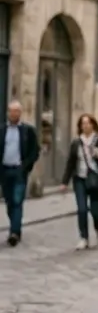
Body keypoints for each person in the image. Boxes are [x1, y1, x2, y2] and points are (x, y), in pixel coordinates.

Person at [60, 113, 98, 250]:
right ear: (80, 126)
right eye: (83, 123)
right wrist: (64, 182)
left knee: (95, 210)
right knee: (82, 209)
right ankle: (83, 237)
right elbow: (70, 162)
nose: (85, 125)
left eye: (88, 123)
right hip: (80, 179)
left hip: (95, 179)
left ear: (93, 125)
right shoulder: (76, 142)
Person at [2, 101, 41, 247]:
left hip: (19, 171)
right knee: (9, 202)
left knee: (17, 201)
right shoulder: (2, 130)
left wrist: (25, 167)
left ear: (20, 113)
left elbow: (35, 151)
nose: (14, 114)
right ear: (8, 113)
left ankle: (14, 232)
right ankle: (16, 228)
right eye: (11, 111)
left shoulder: (27, 131)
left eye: (16, 111)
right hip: (5, 171)